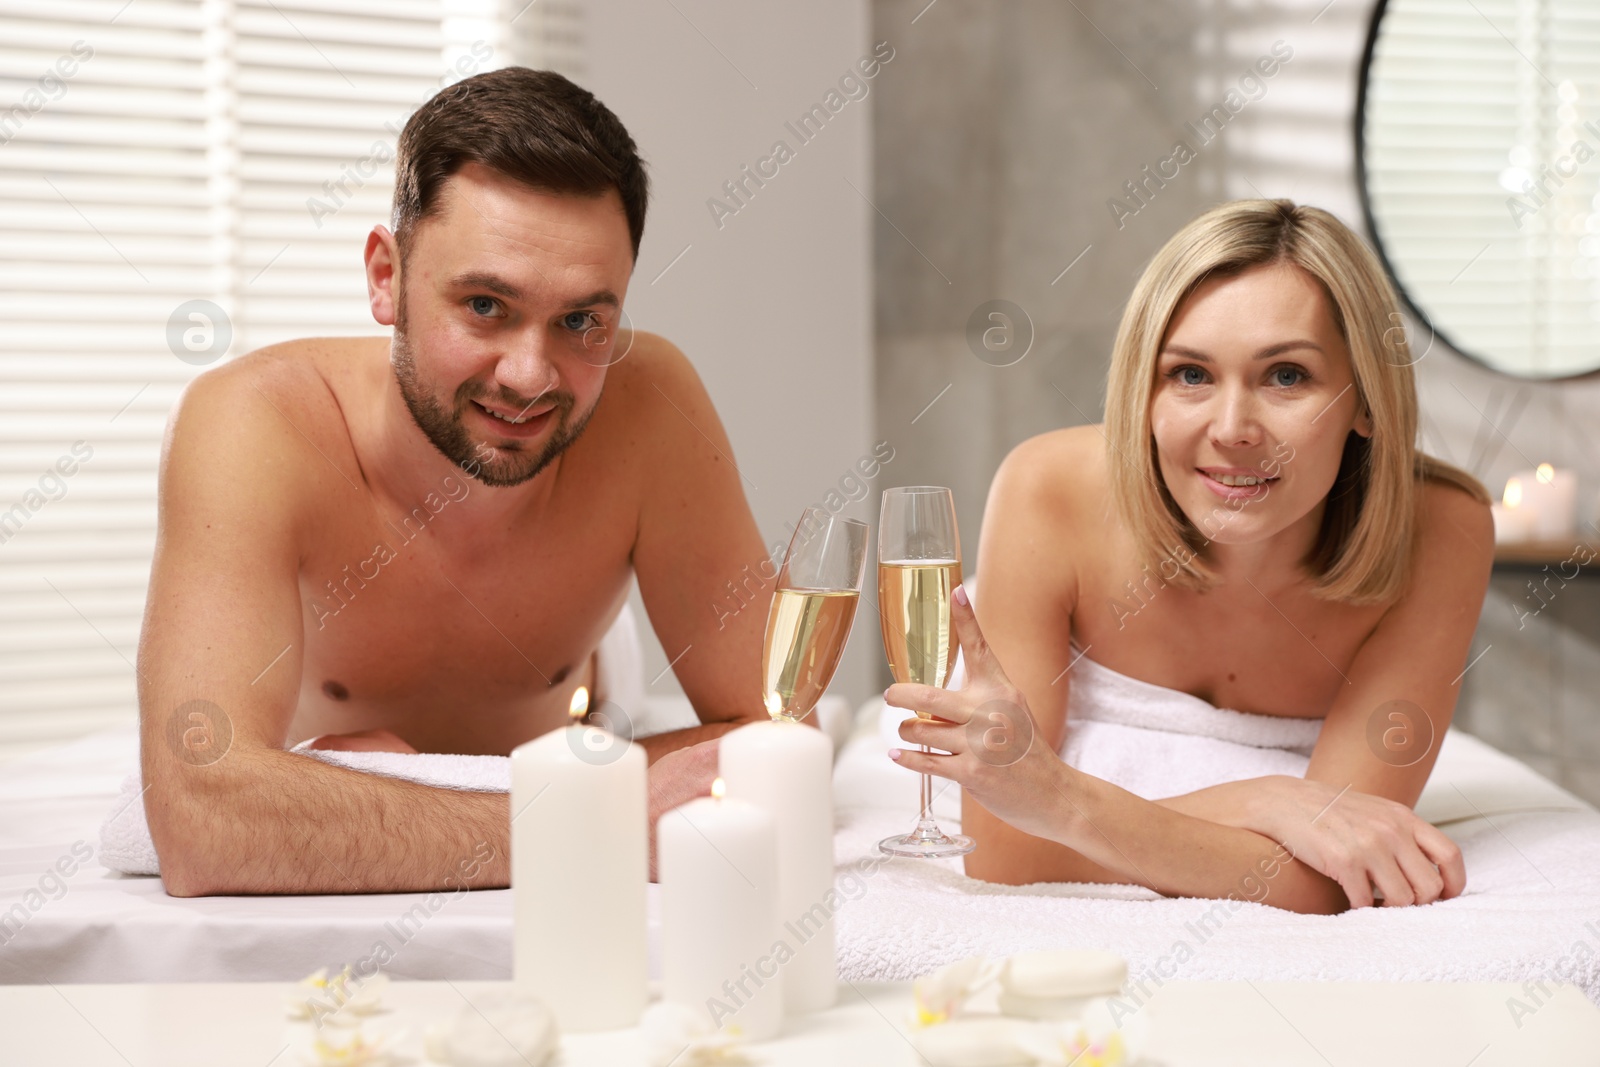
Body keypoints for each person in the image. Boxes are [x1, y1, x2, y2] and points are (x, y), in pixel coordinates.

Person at [139, 68, 776, 896]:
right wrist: (587, 816)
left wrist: (445, 795)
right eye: (484, 304)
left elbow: (779, 729)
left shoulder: (649, 402)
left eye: (583, 320)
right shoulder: (251, 425)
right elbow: (201, 821)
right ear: (385, 277)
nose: (529, 373)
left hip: (580, 726)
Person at [886, 199, 1493, 914]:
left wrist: (1058, 801)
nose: (1233, 429)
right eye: (1191, 375)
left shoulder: (1441, 527)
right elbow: (997, 845)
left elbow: (1342, 872)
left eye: (1287, 376)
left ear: (1366, 400)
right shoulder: (1045, 489)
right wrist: (1264, 799)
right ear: (1143, 393)